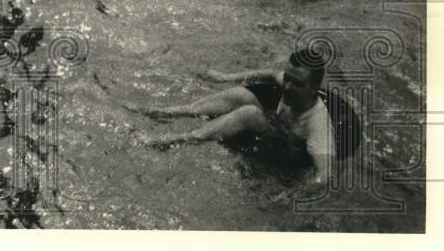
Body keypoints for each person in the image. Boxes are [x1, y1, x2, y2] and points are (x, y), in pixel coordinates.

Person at [128, 51, 339, 186]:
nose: (287, 86)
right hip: (279, 125)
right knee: (241, 95)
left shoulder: (318, 124)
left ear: (313, 90)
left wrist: (289, 193)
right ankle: (168, 112)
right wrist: (225, 77)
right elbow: (270, 74)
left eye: (297, 83)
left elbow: (324, 175)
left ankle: (173, 140)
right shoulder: (289, 84)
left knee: (250, 113)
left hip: (289, 148)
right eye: (288, 78)